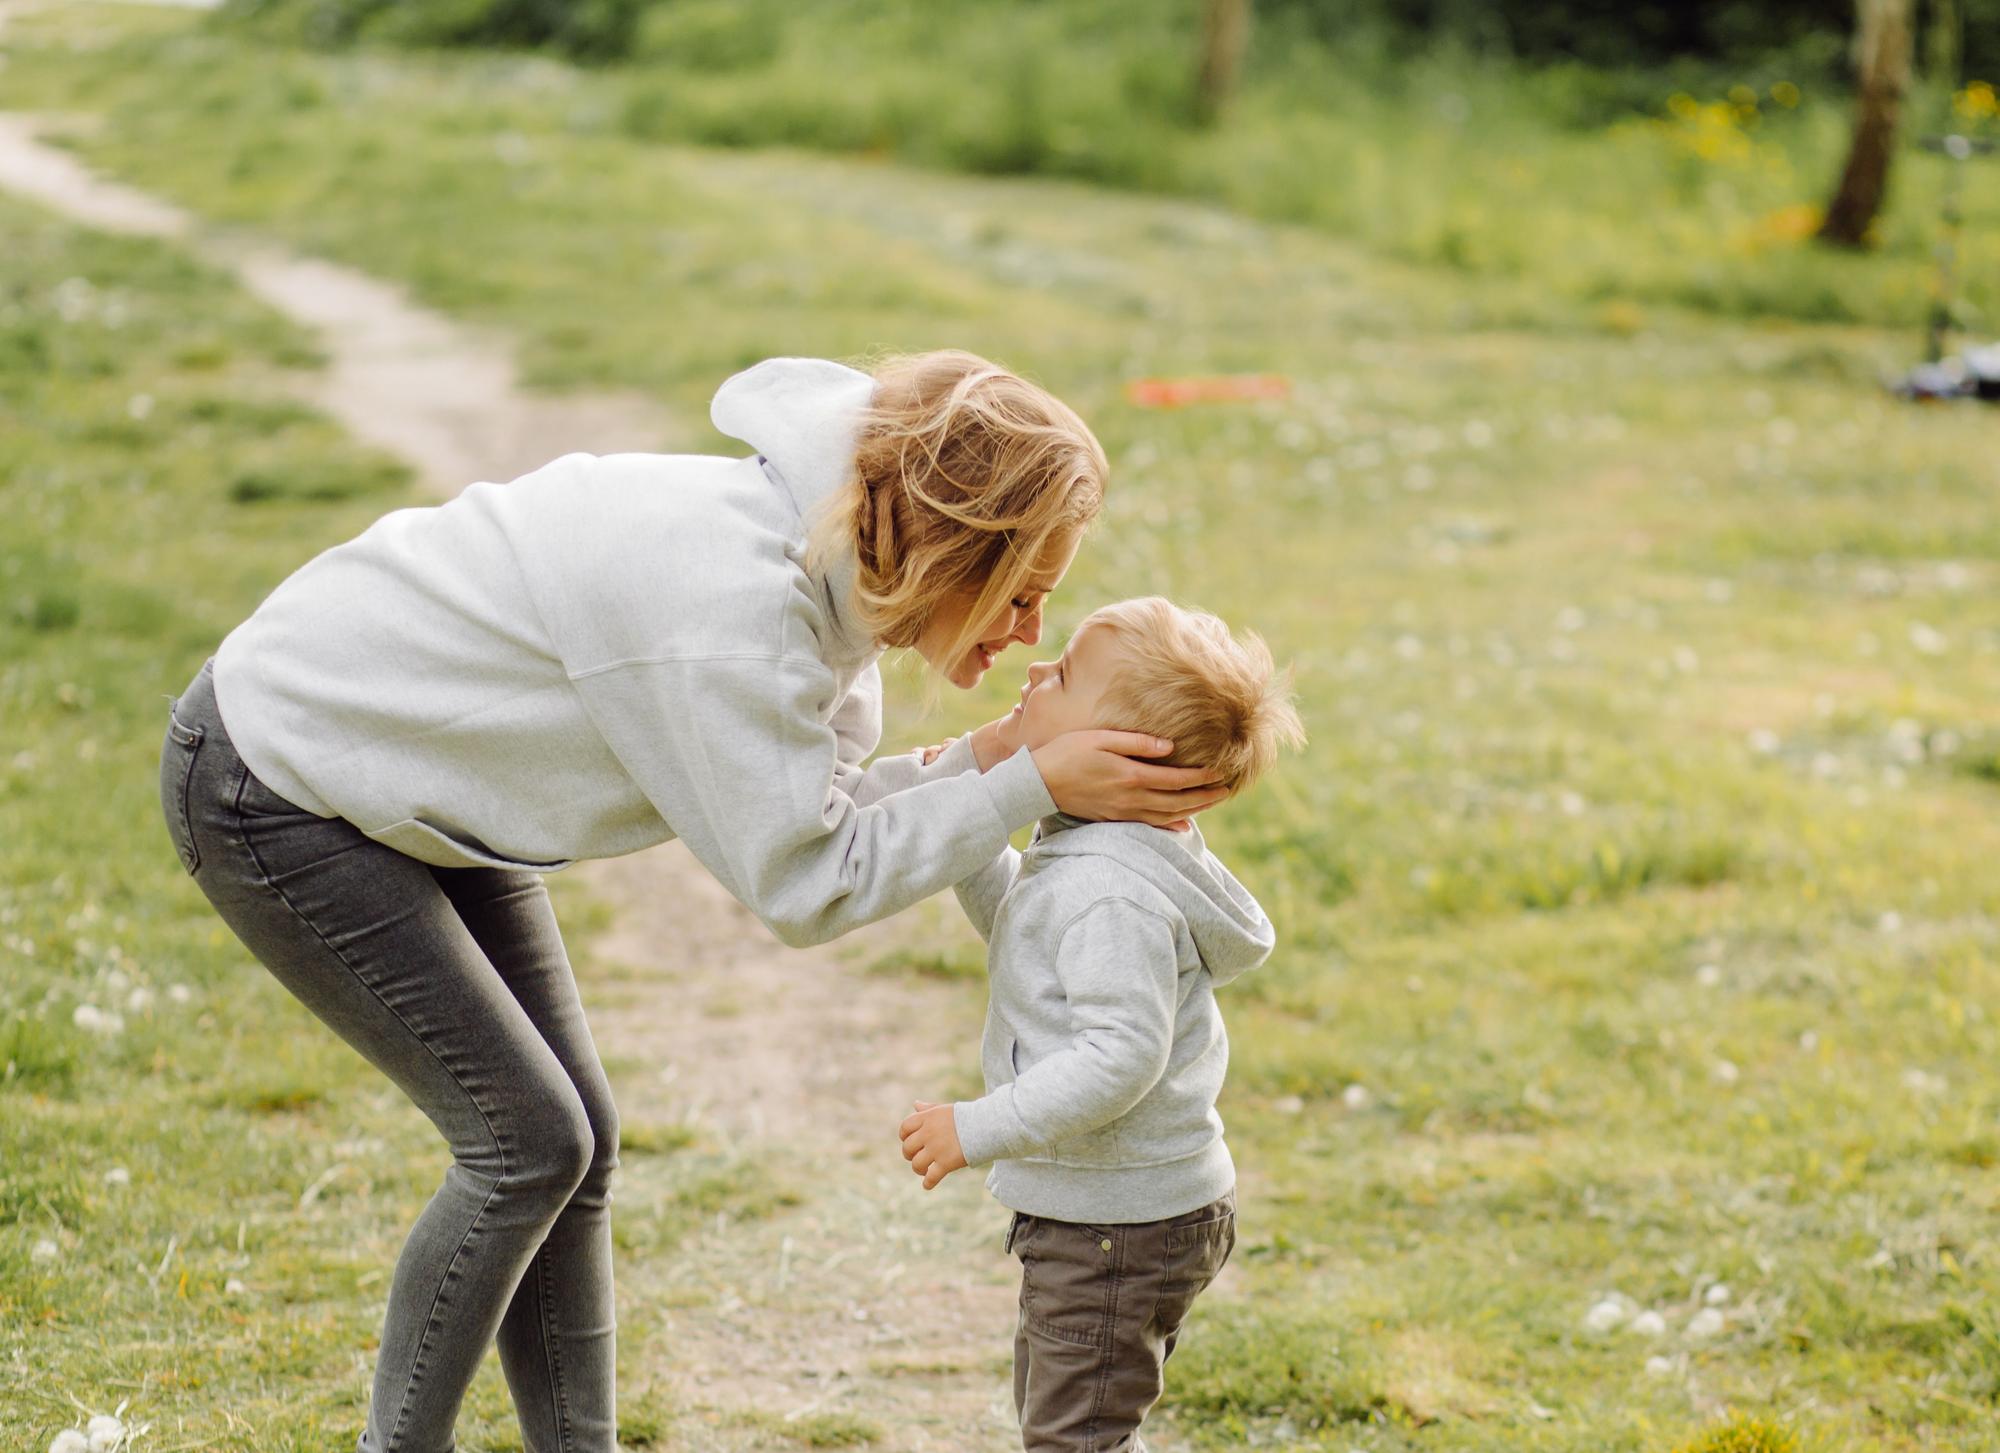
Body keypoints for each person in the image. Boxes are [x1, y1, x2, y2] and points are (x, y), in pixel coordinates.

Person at [156, 353, 1225, 1453]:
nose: (1028, 630)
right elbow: (808, 880)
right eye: (1020, 592)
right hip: (276, 778)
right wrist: (1026, 783)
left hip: (416, 784)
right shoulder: (738, 611)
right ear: (947, 552)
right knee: (525, 1142)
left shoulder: (820, 569)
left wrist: (991, 757)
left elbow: (827, 808)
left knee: (576, 1142)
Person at [897, 595, 1305, 1452]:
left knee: (1073, 1435)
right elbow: (1030, 934)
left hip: (1116, 1225)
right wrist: (968, 816)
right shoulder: (1102, 851)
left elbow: (1121, 1055)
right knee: (1081, 1421)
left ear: (1122, 749)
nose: (1037, 669)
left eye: (1067, 673)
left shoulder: (1109, 887)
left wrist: (978, 1127)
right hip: (1122, 1212)